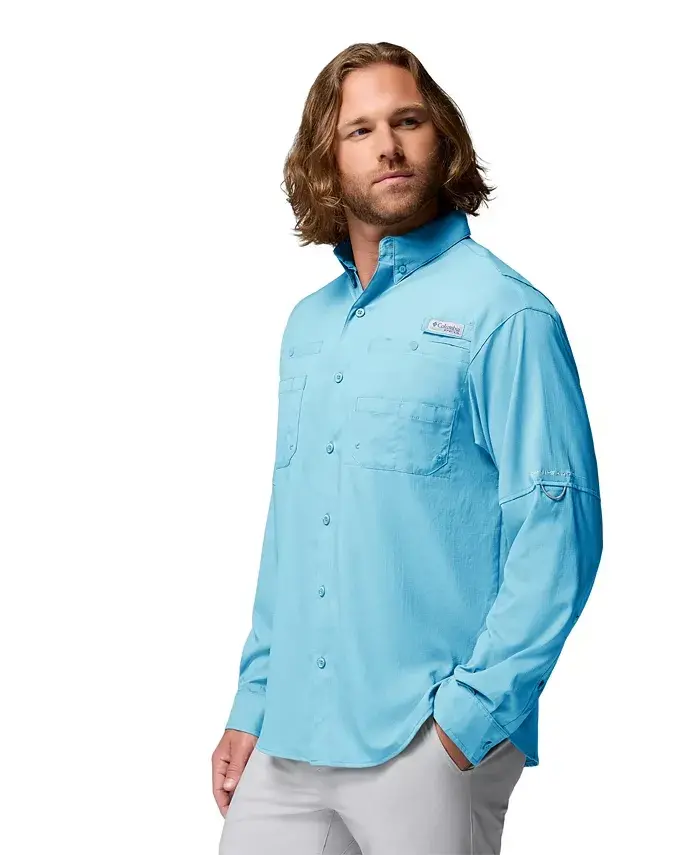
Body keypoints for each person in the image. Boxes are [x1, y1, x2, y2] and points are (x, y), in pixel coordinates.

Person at [213, 41, 603, 855]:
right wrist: (253, 702)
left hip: (425, 735)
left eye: (408, 121)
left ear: (442, 138)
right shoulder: (308, 327)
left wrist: (468, 718)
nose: (387, 145)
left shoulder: (506, 314)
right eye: (359, 130)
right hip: (289, 734)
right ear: (327, 161)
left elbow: (558, 530)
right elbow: (293, 531)